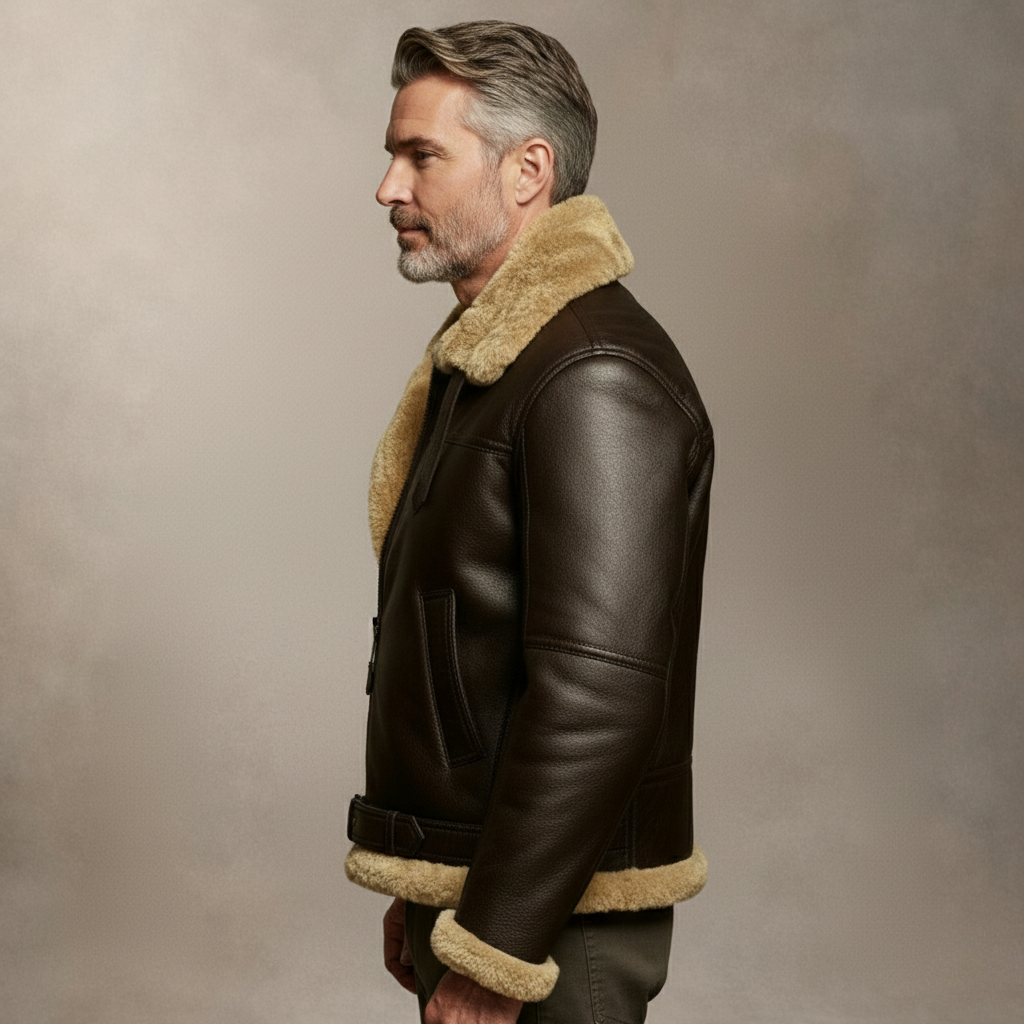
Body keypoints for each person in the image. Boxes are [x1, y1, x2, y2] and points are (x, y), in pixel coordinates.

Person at [345, 21, 714, 1024]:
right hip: (496, 889)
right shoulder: (500, 361)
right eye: (392, 155)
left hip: (550, 929)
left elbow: (598, 691)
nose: (387, 187)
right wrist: (428, 877)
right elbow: (470, 641)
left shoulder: (591, 372)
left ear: (528, 171)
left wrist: (498, 945)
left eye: (421, 155)